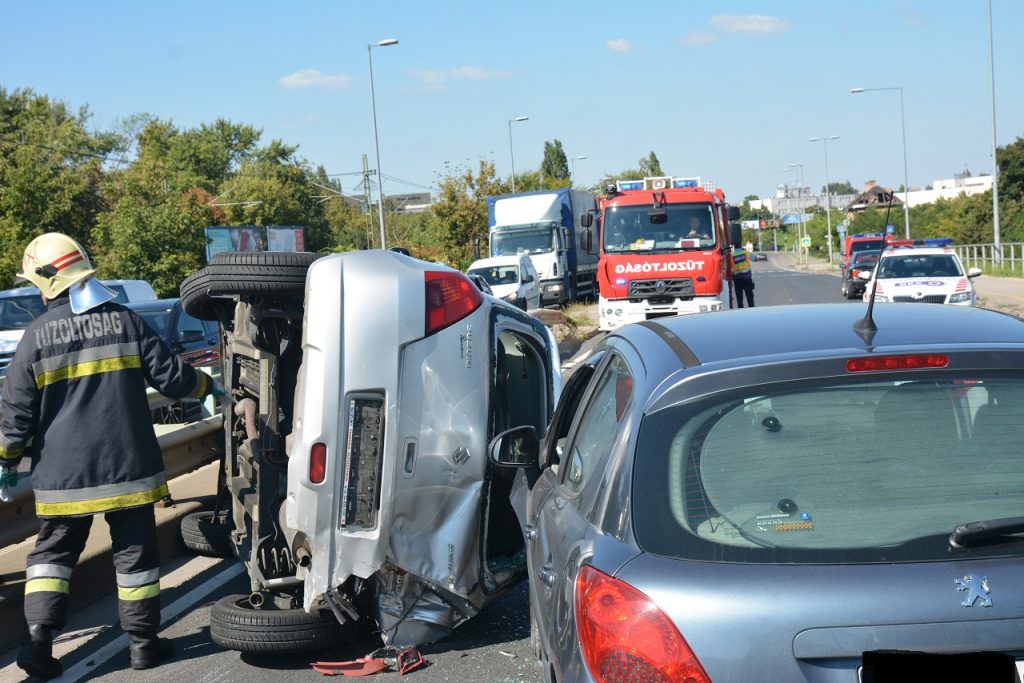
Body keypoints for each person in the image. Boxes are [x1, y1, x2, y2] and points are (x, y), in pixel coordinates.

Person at [0, 233, 224, 678]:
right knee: (135, 557)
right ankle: (143, 645)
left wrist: (7, 461)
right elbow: (174, 379)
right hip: (130, 468)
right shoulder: (125, 321)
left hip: (64, 476)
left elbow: (16, 412)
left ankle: (38, 647)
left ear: (46, 283)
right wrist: (209, 387)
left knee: (52, 558)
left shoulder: (36, 336)